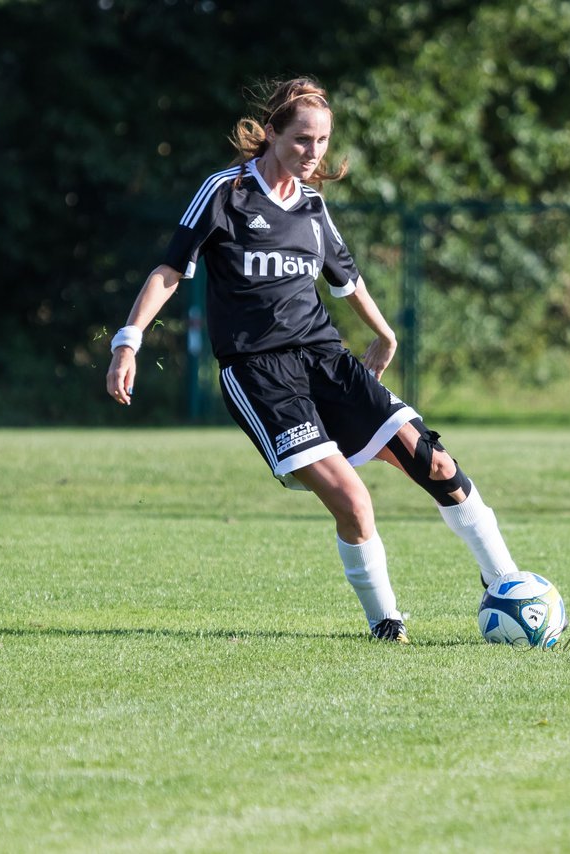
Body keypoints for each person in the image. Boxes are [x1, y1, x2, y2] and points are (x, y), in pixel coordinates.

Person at [105, 77, 520, 643]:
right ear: (271, 133)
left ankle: (509, 586)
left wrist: (384, 333)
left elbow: (347, 279)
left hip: (326, 360)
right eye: (302, 139)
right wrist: (128, 340)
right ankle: (386, 625)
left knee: (437, 463)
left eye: (322, 141)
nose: (313, 152)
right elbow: (169, 271)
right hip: (259, 373)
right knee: (353, 499)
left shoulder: (313, 208)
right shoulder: (225, 193)